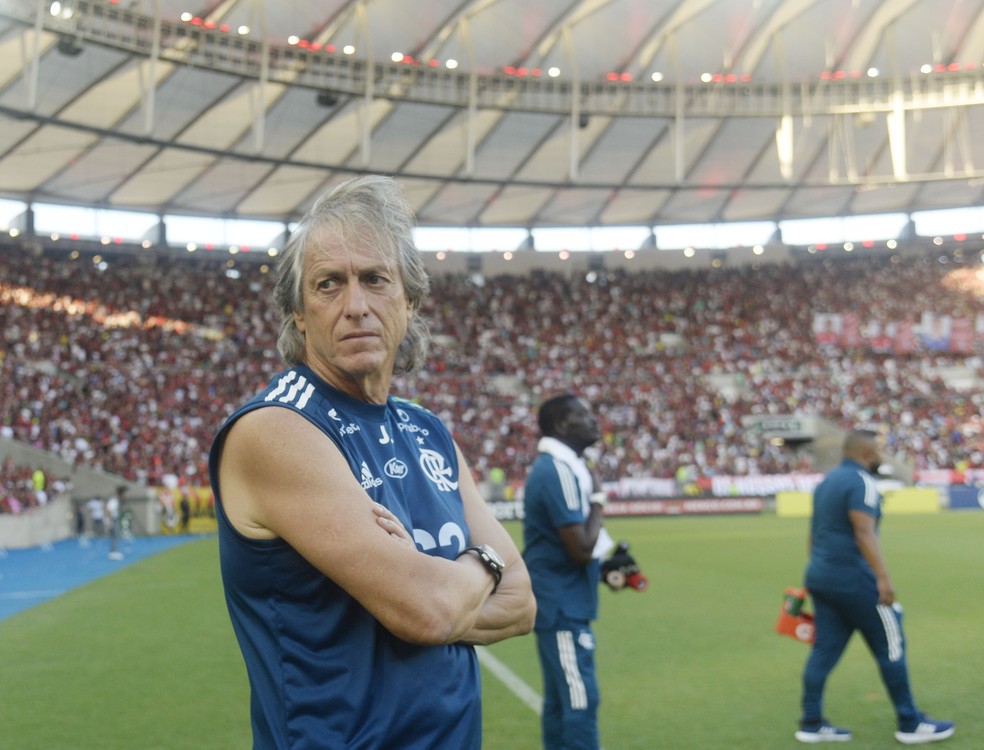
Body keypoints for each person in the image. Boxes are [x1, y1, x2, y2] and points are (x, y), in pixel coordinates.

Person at [208, 175, 536, 750]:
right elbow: (432, 612)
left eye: (375, 279)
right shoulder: (277, 429)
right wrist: (483, 560)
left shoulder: (427, 431)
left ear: (409, 300)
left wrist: (437, 586)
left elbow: (522, 603)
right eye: (329, 284)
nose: (355, 305)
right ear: (299, 315)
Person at [795, 429, 954, 745]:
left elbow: (813, 535)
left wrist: (822, 571)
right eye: (878, 451)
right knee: (891, 642)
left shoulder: (826, 482)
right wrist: (883, 577)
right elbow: (864, 532)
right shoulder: (862, 483)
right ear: (867, 453)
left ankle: (810, 722)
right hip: (854, 579)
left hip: (820, 575)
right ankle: (910, 722)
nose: (881, 457)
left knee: (823, 651)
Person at [522, 394, 612, 750]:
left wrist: (607, 569)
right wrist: (599, 502)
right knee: (580, 700)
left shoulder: (561, 467)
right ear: (561, 426)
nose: (593, 421)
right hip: (562, 607)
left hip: (561, 601)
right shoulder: (557, 470)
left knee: (562, 701)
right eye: (582, 415)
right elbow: (579, 549)